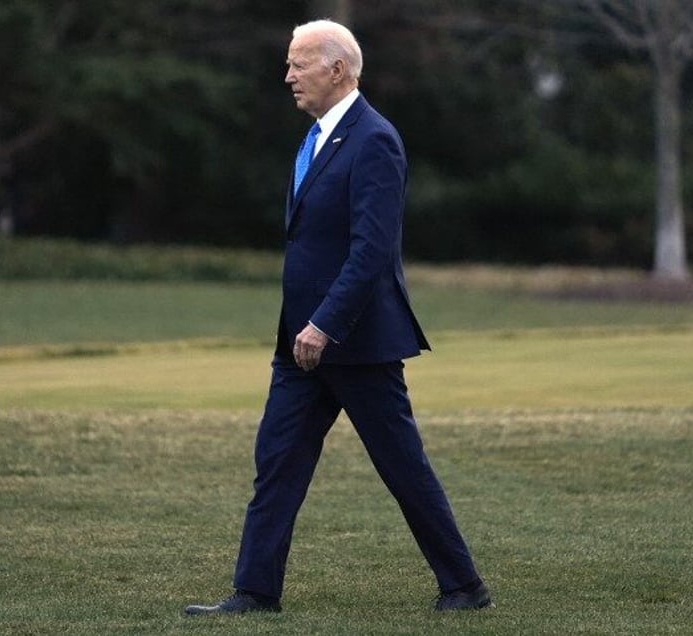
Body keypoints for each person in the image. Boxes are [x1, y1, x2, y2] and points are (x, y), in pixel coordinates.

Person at [184, 19, 491, 615]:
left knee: (402, 467)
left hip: (354, 341)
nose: (288, 75)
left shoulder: (375, 139)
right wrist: (305, 327)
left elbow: (371, 250)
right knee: (276, 463)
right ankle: (254, 592)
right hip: (299, 343)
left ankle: (464, 586)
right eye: (289, 63)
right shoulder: (316, 138)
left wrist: (325, 323)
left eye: (299, 64)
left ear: (337, 70)